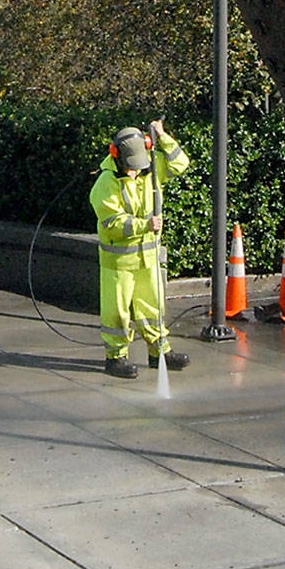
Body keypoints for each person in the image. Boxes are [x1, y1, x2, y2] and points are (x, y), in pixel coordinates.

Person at [90, 118, 191, 379]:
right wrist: (145, 225)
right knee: (117, 313)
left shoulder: (151, 165)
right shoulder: (105, 183)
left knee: (153, 308)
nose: (135, 172)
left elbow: (181, 164)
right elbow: (112, 224)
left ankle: (160, 353)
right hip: (119, 264)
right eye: (130, 167)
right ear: (117, 157)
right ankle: (115, 358)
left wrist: (163, 136)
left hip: (147, 258)